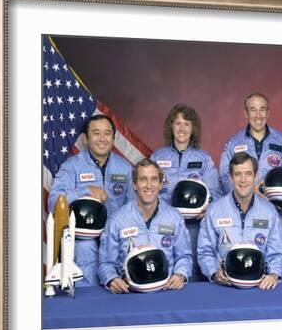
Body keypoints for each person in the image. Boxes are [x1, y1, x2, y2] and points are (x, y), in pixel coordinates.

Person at [218, 93, 282, 272]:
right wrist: (248, 193)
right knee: (244, 263)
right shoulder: (233, 143)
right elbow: (225, 177)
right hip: (241, 213)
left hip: (276, 212)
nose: (258, 115)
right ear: (245, 113)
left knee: (277, 264)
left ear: (269, 112)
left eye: (262, 109)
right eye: (253, 110)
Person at [48, 114, 134, 286]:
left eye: (107, 133)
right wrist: (85, 191)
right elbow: (54, 201)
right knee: (84, 249)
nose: (102, 138)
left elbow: (134, 206)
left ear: (113, 137)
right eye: (96, 133)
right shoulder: (72, 166)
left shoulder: (125, 168)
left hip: (115, 237)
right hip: (84, 238)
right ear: (86, 138)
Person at [98, 158, 193, 293]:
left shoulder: (174, 217)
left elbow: (184, 256)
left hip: (167, 291)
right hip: (130, 295)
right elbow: (105, 263)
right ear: (134, 184)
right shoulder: (117, 220)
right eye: (143, 179)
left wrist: (180, 274)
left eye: (154, 179)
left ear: (160, 184)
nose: (149, 185)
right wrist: (112, 279)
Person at [151, 104, 222, 280]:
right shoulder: (157, 158)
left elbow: (216, 192)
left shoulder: (203, 159)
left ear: (193, 129)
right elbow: (147, 191)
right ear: (171, 127)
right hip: (163, 223)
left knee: (194, 269)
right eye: (177, 123)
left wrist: (207, 207)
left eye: (186, 124)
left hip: (194, 226)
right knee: (164, 267)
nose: (181, 128)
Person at [197, 152, 282, 290]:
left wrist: (274, 274)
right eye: (238, 174)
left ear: (255, 177)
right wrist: (214, 272)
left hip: (259, 287)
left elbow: (277, 254)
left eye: (248, 174)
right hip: (225, 287)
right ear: (231, 178)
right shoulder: (214, 211)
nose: (243, 180)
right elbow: (205, 251)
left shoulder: (269, 212)